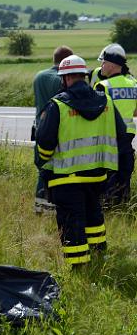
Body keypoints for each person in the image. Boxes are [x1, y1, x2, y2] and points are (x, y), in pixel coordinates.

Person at [35, 55, 133, 268]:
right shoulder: (106, 101)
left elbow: (44, 144)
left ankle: (79, 268)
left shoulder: (57, 105)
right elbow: (122, 135)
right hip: (97, 176)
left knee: (72, 222)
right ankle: (99, 256)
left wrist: (42, 164)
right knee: (93, 216)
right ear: (85, 76)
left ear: (66, 79)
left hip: (65, 178)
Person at [92, 43, 136, 204]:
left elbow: (95, 114)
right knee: (124, 176)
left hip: (109, 138)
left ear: (111, 65)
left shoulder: (103, 86)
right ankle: (123, 206)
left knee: (108, 177)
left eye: (103, 62)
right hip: (127, 138)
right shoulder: (133, 84)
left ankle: (109, 208)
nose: (101, 66)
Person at [32, 45, 74, 214]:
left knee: (43, 168)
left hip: (39, 127)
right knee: (56, 169)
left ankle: (41, 208)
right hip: (58, 128)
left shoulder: (39, 77)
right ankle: (56, 206)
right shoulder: (63, 78)